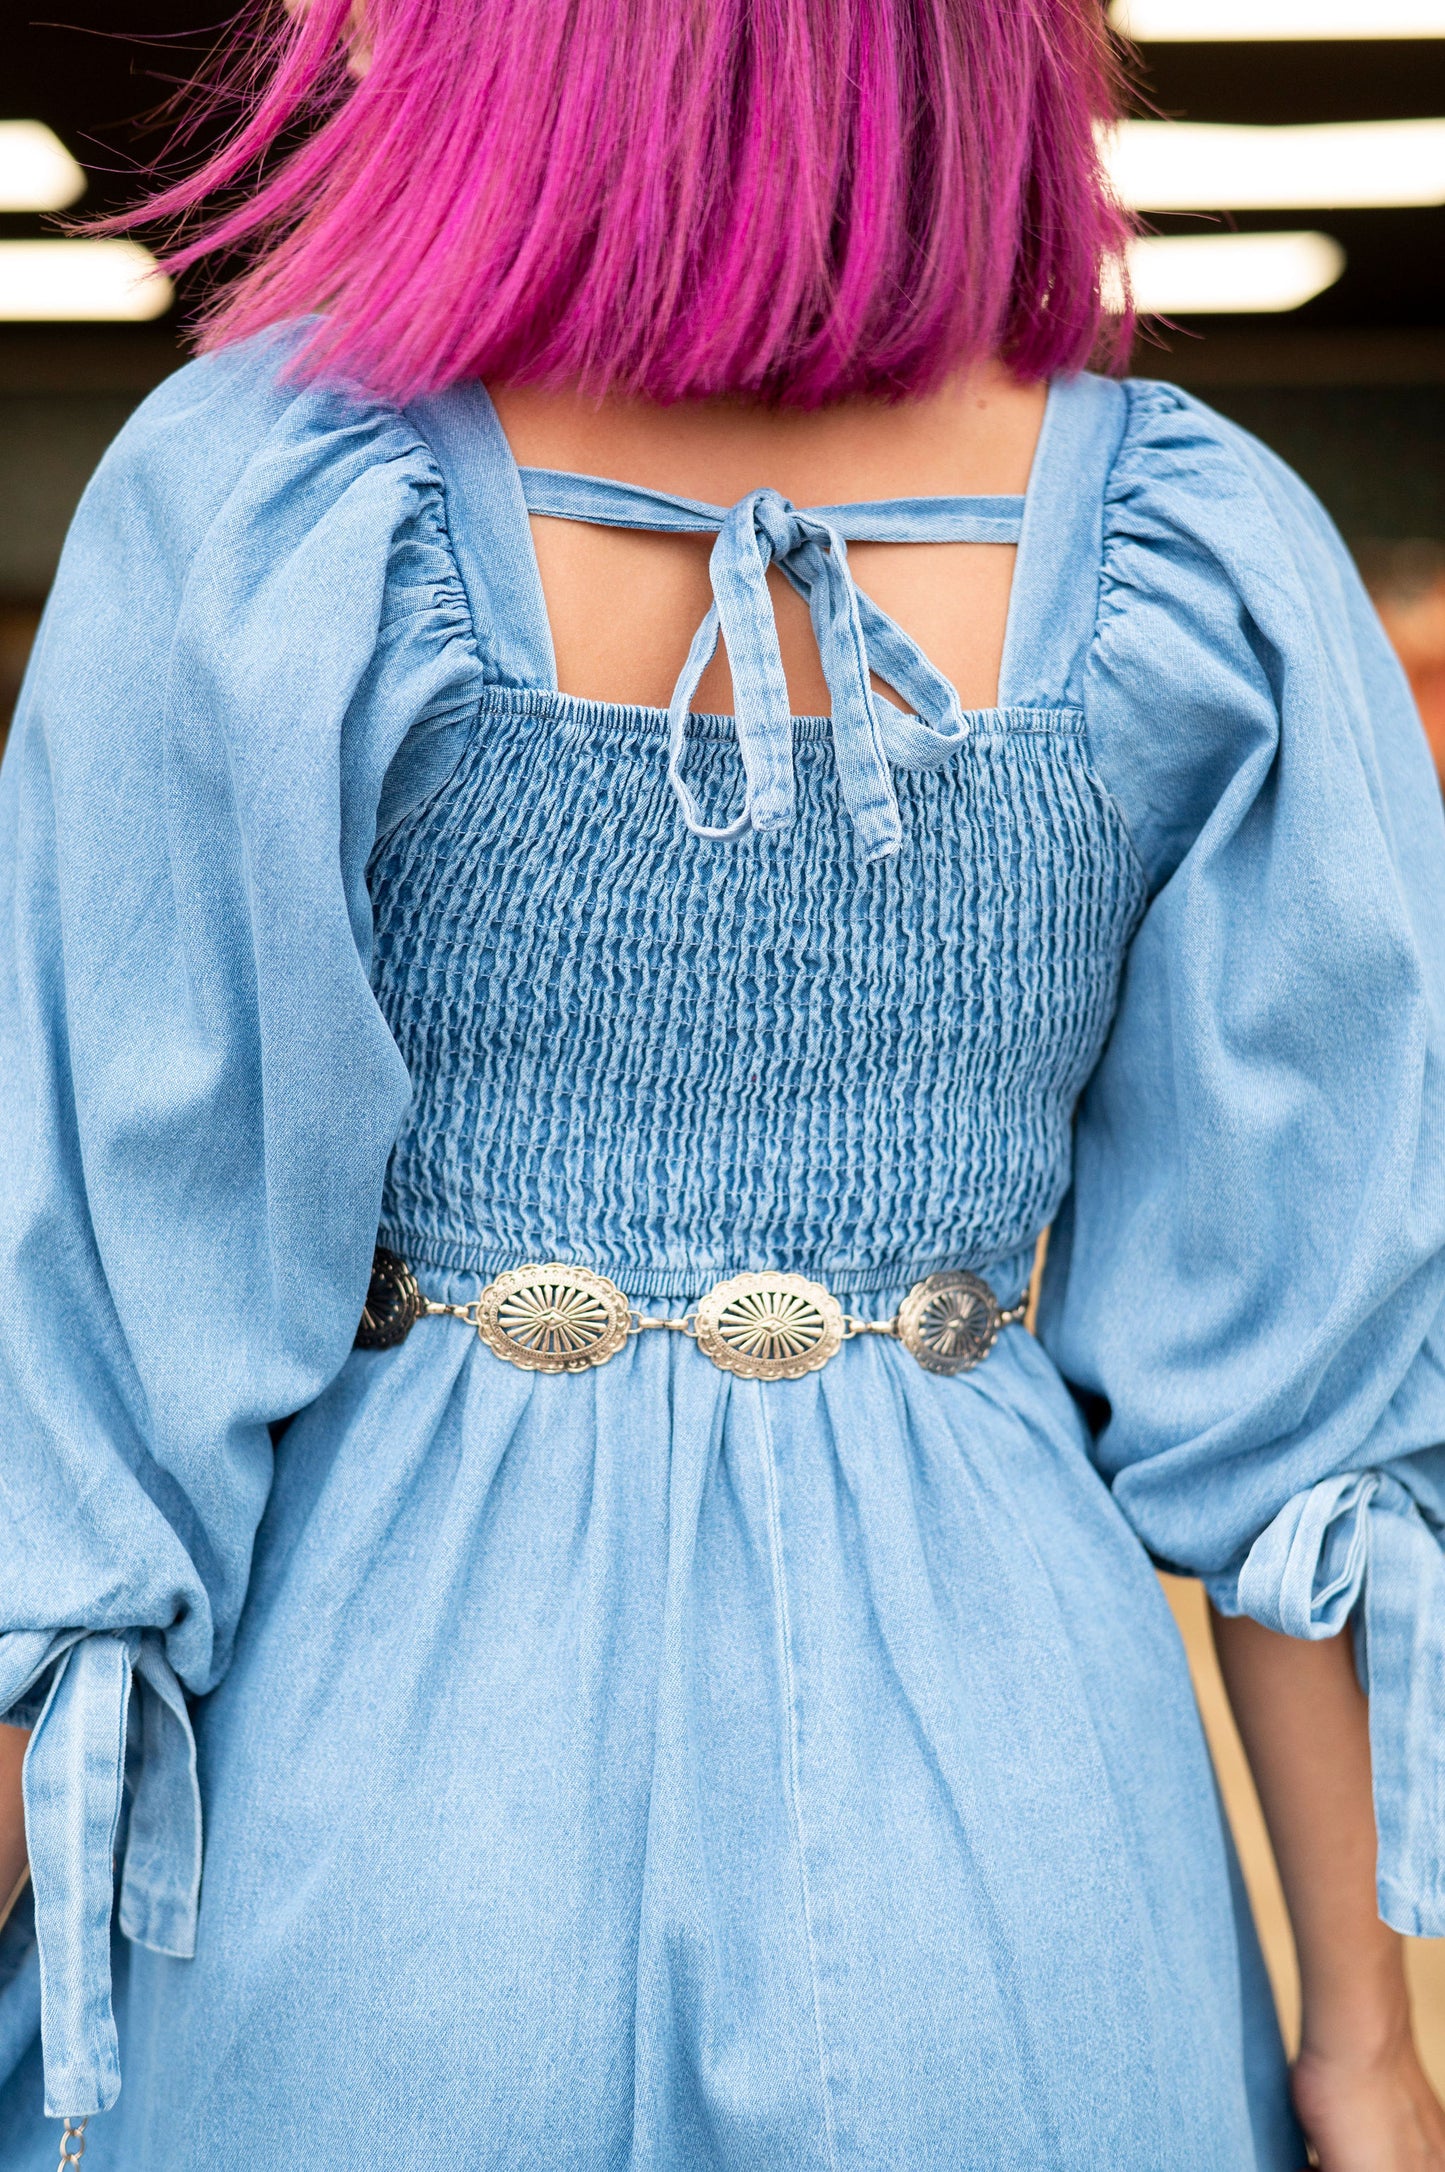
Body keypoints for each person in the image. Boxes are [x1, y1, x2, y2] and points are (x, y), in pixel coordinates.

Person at [2, 0, 1445, 2164]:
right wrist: (1365, 2040)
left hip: (384, 1823)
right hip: (1024, 1844)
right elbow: (1310, 1412)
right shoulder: (1201, 553)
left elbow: (99, 1371)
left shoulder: (265, 510)